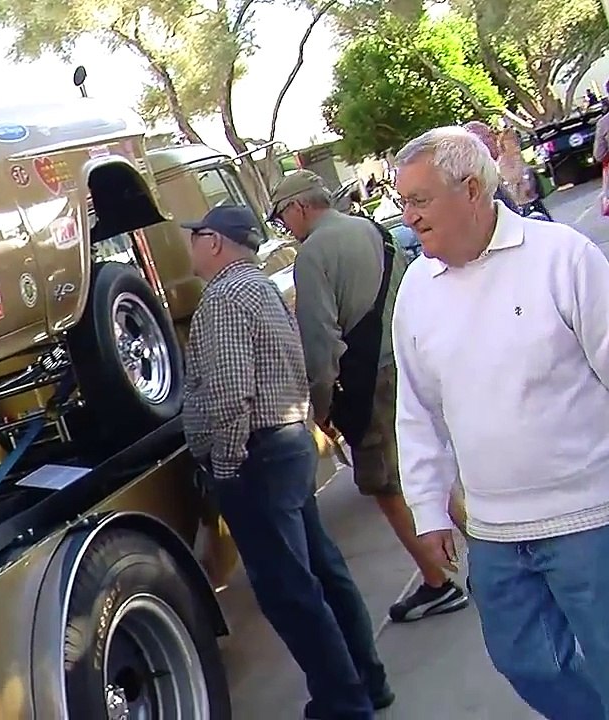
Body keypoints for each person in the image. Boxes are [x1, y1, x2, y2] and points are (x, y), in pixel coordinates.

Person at [392, 125, 609, 719]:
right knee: (525, 662)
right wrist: (428, 509)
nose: (407, 216)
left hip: (591, 520)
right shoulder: (416, 289)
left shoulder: (561, 257)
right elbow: (417, 411)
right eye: (402, 201)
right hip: (494, 533)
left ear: (470, 190)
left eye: (419, 199)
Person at [179, 205, 393, 720]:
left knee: (290, 591)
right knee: (322, 571)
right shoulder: (261, 288)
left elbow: (232, 392)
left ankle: (343, 702)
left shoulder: (224, 299)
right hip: (288, 442)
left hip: (258, 455)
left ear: (214, 242)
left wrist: (227, 463)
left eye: (195, 236)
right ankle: (368, 680)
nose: (189, 246)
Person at [266, 169, 469, 625]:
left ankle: (437, 582)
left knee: (386, 484)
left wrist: (319, 410)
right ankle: (488, 553)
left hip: (369, 381)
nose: (285, 226)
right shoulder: (372, 230)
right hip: (410, 361)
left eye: (282, 216)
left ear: (299, 206)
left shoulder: (313, 254)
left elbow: (320, 343)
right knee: (432, 464)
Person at [463, 121, 522, 213]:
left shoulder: (497, 165)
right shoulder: (483, 178)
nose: (494, 138)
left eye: (492, 134)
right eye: (488, 136)